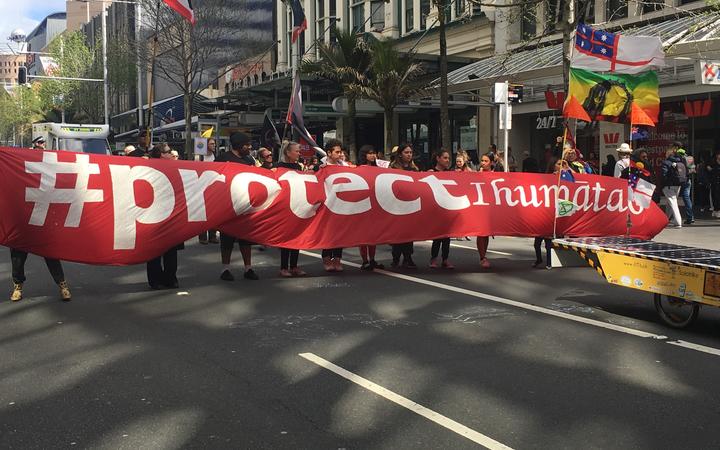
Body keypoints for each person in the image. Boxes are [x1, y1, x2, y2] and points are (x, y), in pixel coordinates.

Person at [9, 136, 71, 302]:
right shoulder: (22, 166)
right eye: (39, 143)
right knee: (17, 258)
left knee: (52, 255)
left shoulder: (50, 166)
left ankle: (62, 284)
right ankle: (18, 286)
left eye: (43, 143)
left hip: (43, 218)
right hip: (23, 220)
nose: (42, 146)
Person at [215, 132, 260, 281]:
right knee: (227, 239)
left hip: (246, 205)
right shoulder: (222, 159)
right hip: (228, 205)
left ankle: (248, 268)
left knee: (246, 239)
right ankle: (225, 269)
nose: (249, 147)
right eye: (247, 145)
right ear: (239, 146)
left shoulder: (249, 159)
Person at [146, 143, 183, 289]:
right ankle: (155, 280)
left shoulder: (176, 168)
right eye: (169, 152)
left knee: (171, 250)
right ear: (161, 154)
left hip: (171, 213)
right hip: (153, 213)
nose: (172, 155)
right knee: (154, 250)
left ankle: (170, 278)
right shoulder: (148, 168)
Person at [275, 141, 309, 277]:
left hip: (297, 204)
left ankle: (294, 266)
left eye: (299, 151)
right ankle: (284, 267)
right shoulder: (278, 167)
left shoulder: (299, 167)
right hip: (284, 206)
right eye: (297, 151)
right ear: (288, 152)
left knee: (297, 237)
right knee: (286, 237)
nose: (299, 153)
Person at [390, 143, 419, 268]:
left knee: (409, 233)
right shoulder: (393, 168)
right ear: (400, 154)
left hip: (410, 205)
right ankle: (396, 257)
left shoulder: (415, 169)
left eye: (410, 152)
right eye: (406, 152)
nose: (409, 155)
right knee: (397, 232)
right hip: (397, 205)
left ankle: (408, 257)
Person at [357, 145, 385, 271]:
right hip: (363, 205)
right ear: (364, 155)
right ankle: (365, 260)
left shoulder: (378, 168)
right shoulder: (358, 169)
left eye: (374, 153)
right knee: (363, 235)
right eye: (370, 153)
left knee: (373, 235)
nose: (373, 156)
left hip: (375, 205)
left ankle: (372, 259)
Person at [321, 139, 347, 272]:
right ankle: (326, 258)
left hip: (341, 204)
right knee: (329, 232)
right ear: (329, 153)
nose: (339, 154)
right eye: (337, 152)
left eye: (340, 151)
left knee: (340, 234)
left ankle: (337, 259)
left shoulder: (344, 166)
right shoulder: (321, 167)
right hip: (327, 204)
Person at [428, 150, 454, 269]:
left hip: (447, 207)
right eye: (445, 158)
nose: (447, 160)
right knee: (438, 236)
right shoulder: (431, 172)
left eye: (448, 158)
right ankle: (433, 259)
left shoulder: (450, 173)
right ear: (438, 158)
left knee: (447, 236)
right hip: (436, 207)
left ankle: (445, 259)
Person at [198, 139, 219, 245]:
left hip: (214, 187)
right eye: (211, 144)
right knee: (202, 213)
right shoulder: (199, 157)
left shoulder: (217, 156)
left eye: (214, 143)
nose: (214, 145)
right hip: (201, 188)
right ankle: (202, 236)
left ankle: (212, 235)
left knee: (213, 212)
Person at [476, 152, 494, 269]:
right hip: (479, 206)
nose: (483, 163)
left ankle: (484, 255)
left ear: (491, 163)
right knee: (480, 233)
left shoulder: (495, 174)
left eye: (485, 161)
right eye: (482, 160)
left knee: (486, 233)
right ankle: (482, 257)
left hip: (490, 207)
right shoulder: (477, 174)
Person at [661, 145, 687, 228]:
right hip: (678, 184)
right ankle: (665, 219)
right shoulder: (680, 161)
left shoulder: (666, 162)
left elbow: (664, 175)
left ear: (668, 154)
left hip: (669, 186)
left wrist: (662, 184)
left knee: (673, 203)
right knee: (670, 203)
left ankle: (678, 222)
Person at [673, 142, 695, 224]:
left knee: (673, 198)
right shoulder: (689, 157)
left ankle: (672, 217)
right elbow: (693, 170)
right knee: (687, 198)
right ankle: (690, 217)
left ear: (676, 147)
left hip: (679, 180)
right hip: (688, 180)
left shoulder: (677, 156)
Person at [707, 152, 720, 218]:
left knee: (718, 197)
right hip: (714, 182)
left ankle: (718, 210)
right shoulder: (713, 162)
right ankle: (715, 210)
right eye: (718, 154)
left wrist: (712, 169)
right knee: (714, 196)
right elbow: (708, 169)